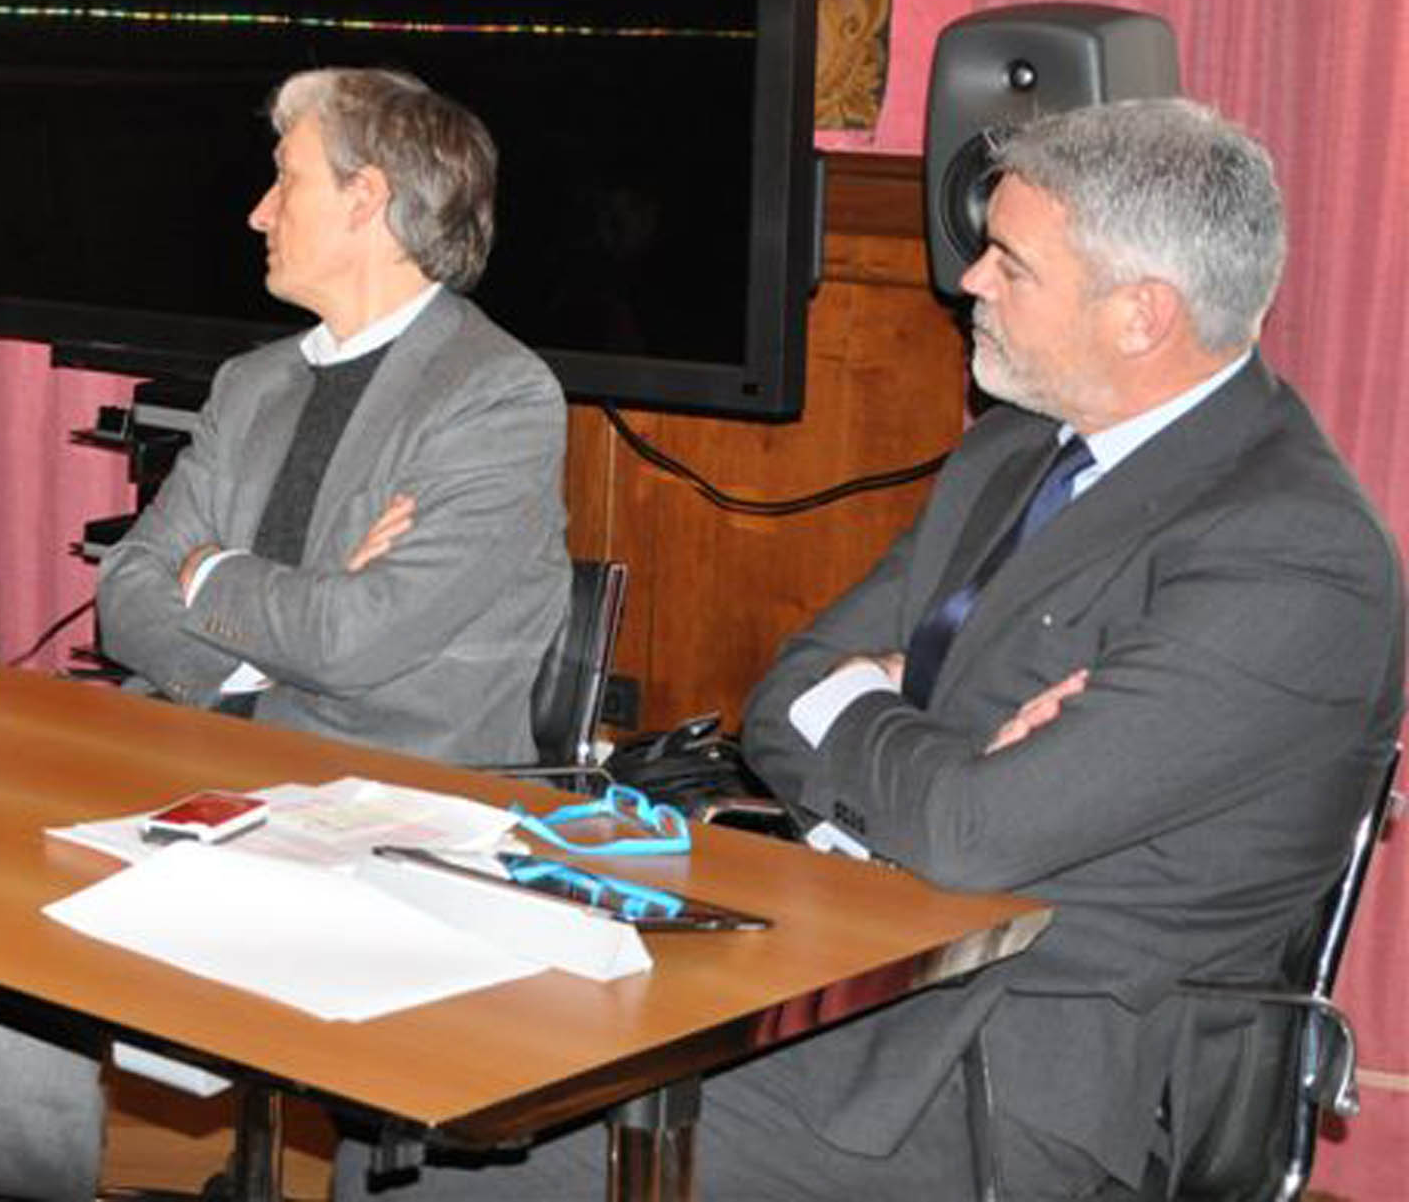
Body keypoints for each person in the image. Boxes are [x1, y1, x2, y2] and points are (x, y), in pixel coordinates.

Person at [419, 97, 1404, 1198]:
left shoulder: (1295, 554)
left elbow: (973, 830)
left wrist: (878, 717)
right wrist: (932, 741)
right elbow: (786, 693)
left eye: (1011, 262)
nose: (970, 279)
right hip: (848, 971)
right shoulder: (1013, 452)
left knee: (476, 1164)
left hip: (1027, 1078)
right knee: (422, 1090)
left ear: (1141, 314)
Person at [0, 66, 571, 1202]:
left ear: (367, 200)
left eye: (283, 178)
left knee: (41, 929)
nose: (255, 209)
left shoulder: (496, 395)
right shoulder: (252, 385)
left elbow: (355, 641)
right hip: (207, 765)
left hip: (386, 804)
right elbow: (128, 597)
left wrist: (221, 575)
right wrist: (261, 607)